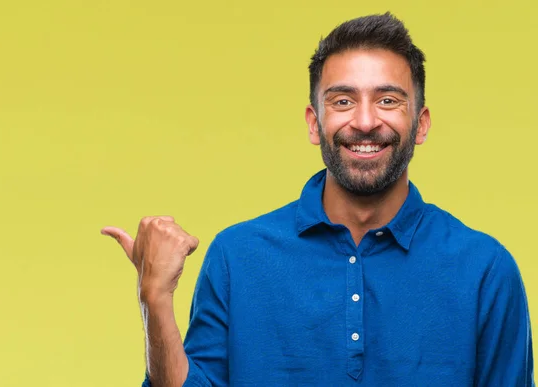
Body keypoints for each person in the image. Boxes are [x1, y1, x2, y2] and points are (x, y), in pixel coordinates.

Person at [101, 12, 534, 386]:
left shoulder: (485, 270)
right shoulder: (237, 258)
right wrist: (154, 300)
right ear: (314, 124)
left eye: (388, 100)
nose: (365, 122)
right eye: (343, 100)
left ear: (420, 124)